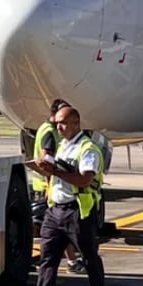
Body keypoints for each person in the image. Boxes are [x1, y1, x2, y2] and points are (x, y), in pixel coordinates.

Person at [16, 104, 111, 286]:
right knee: (47, 258)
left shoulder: (87, 148)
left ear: (76, 124)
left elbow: (85, 179)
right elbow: (60, 176)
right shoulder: (63, 146)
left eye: (63, 122)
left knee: (89, 260)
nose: (58, 126)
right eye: (57, 122)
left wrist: (55, 171)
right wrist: (46, 170)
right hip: (55, 210)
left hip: (77, 211)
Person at [31, 99, 84, 273]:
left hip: (49, 184)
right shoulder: (49, 132)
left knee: (54, 232)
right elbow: (46, 157)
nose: (64, 124)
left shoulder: (45, 128)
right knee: (56, 230)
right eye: (62, 119)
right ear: (55, 115)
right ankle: (67, 261)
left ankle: (68, 261)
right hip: (49, 185)